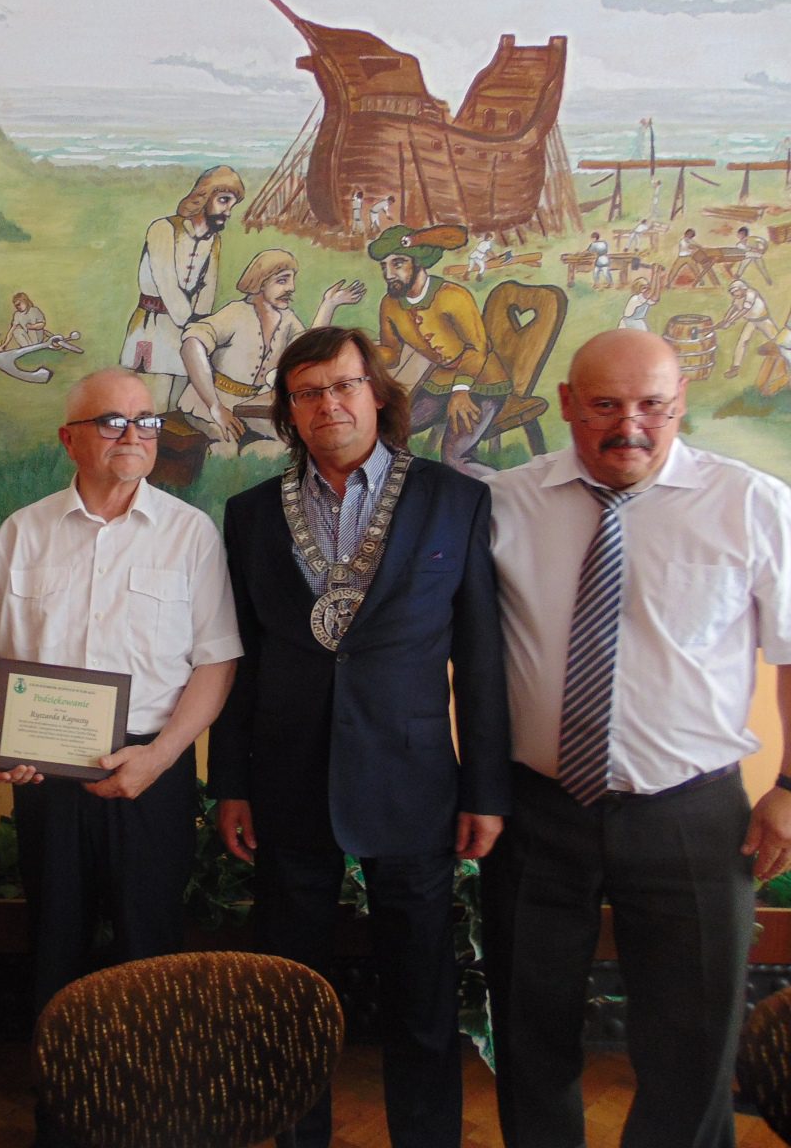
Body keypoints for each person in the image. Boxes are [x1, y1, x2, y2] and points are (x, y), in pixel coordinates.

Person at [483, 328, 791, 1148]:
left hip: (691, 814)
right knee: (530, 1028)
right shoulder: (506, 502)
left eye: (653, 405)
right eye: (606, 405)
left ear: (681, 400)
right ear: (566, 405)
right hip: (538, 811)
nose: (631, 426)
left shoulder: (752, 504)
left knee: (690, 1042)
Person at [211, 325, 510, 1148]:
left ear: (377, 393)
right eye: (307, 393)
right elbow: (238, 659)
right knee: (289, 1000)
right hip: (286, 783)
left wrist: (485, 787)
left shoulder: (454, 500)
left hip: (413, 784)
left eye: (343, 385)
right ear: (290, 412)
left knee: (421, 996)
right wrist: (229, 781)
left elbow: (481, 658)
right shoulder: (249, 516)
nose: (328, 405)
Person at [0, 366, 240, 1146]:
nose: (134, 435)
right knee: (53, 949)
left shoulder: (191, 533)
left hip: (153, 772)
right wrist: (10, 737)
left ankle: (147, 1122)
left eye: (146, 421)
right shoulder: (22, 531)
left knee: (149, 953)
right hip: (45, 776)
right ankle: (62, 1121)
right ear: (69, 439)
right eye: (113, 421)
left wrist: (161, 757)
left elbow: (216, 662)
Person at [177, 248, 363, 453]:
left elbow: (306, 351)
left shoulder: (287, 319)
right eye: (282, 280)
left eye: (292, 280)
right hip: (211, 405)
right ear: (260, 282)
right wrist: (215, 406)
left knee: (291, 442)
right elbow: (191, 345)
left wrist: (329, 304)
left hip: (249, 407)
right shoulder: (235, 314)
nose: (291, 287)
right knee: (227, 448)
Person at [370, 223, 511, 477]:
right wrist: (359, 352)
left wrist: (461, 390)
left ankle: (503, 494)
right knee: (385, 433)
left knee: (455, 458)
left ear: (418, 262)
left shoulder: (453, 295)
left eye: (398, 263)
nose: (389, 274)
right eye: (384, 266)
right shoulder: (390, 304)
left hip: (482, 382)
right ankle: (411, 489)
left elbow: (478, 348)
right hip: (440, 383)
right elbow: (391, 353)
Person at [119, 164, 245, 408]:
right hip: (153, 328)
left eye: (232, 204)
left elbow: (207, 288)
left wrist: (202, 331)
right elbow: (166, 283)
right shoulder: (163, 229)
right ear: (205, 195)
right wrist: (191, 325)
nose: (228, 211)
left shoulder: (213, 240)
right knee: (152, 405)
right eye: (223, 200)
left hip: (186, 333)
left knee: (179, 406)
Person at [717, 277, 780, 379]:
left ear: (742, 288)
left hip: (763, 320)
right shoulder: (738, 296)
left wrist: (730, 321)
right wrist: (725, 320)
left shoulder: (751, 294)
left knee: (779, 340)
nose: (734, 294)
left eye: (736, 291)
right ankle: (735, 368)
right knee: (742, 341)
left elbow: (744, 310)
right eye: (733, 292)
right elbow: (733, 308)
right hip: (752, 321)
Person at [617, 266, 664, 332]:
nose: (646, 290)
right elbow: (650, 292)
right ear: (638, 288)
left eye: (647, 287)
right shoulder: (636, 298)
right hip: (628, 322)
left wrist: (657, 275)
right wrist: (654, 273)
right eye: (644, 288)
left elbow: (656, 297)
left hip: (639, 322)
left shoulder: (645, 299)